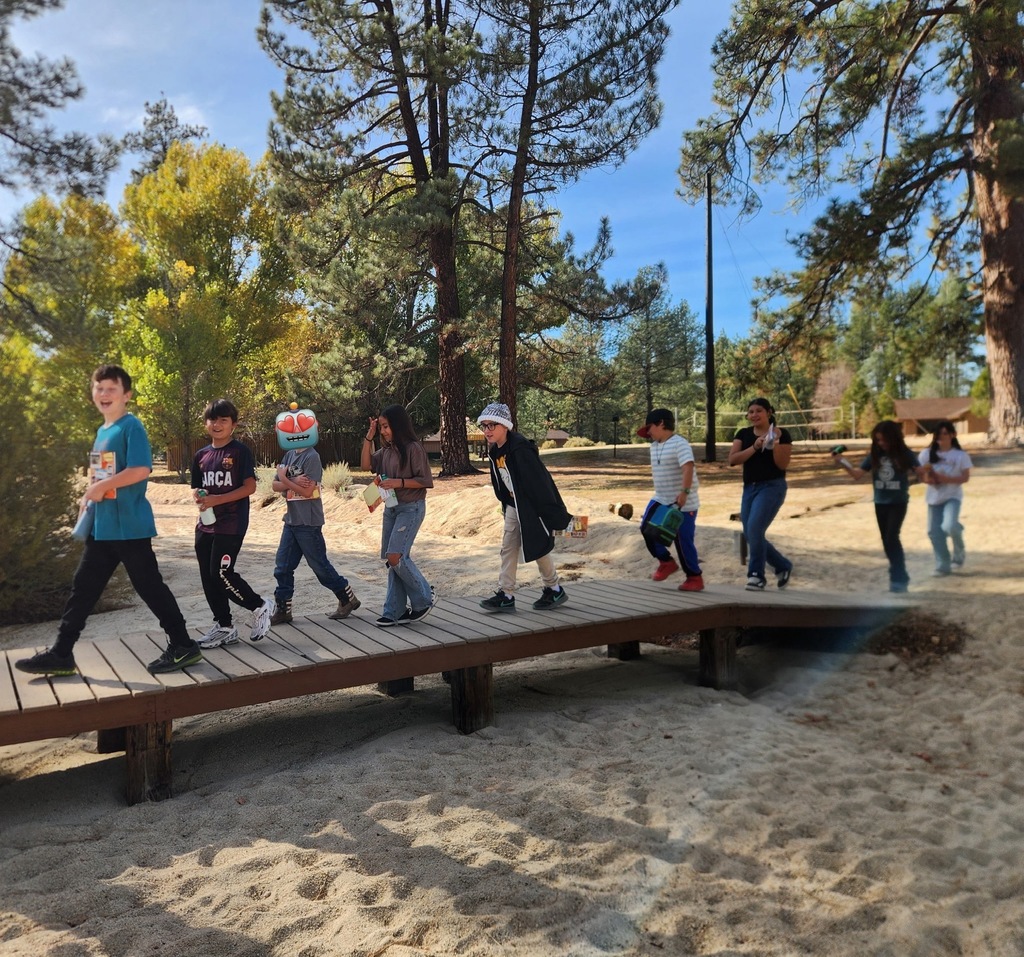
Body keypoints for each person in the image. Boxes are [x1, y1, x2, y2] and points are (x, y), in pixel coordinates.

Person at [15, 364, 202, 676]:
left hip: (129, 527)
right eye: (98, 388)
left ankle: (183, 645)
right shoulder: (102, 431)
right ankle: (61, 653)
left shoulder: (132, 427)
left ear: (126, 395)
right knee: (83, 588)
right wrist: (89, 496)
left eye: (111, 389)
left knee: (150, 587)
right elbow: (101, 474)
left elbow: (141, 469)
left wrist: (100, 486)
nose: (103, 394)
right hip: (103, 528)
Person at [191, 398, 276, 647]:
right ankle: (224, 626)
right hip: (205, 523)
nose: (217, 424)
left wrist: (218, 500)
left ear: (233, 425)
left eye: (223, 420)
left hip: (231, 523)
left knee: (221, 573)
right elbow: (197, 487)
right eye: (212, 420)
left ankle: (260, 606)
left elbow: (249, 487)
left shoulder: (239, 452)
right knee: (208, 575)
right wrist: (199, 496)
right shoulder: (201, 455)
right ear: (206, 423)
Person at [476, 402, 572, 612]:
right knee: (508, 547)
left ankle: (554, 588)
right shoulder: (494, 451)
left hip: (530, 506)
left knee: (537, 545)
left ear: (504, 426)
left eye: (492, 425)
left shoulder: (520, 448)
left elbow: (539, 481)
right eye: (484, 426)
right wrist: (505, 503)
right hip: (513, 505)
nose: (487, 431)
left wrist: (544, 510)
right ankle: (506, 594)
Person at [269, 403, 360, 623]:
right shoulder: (289, 455)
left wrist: (285, 479)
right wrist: (288, 481)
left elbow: (308, 490)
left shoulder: (312, 457)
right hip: (291, 520)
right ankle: (283, 609)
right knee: (282, 566)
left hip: (308, 522)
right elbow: (274, 485)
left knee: (319, 566)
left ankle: (346, 597)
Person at [360, 404, 435, 627]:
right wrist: (369, 436)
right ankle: (395, 611)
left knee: (396, 557)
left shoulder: (414, 448)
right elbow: (365, 465)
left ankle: (424, 599)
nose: (383, 431)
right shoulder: (386, 452)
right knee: (392, 560)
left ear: (398, 425)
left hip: (411, 508)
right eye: (381, 427)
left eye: (385, 426)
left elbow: (425, 481)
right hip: (391, 509)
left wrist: (398, 482)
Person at [832, 420, 920, 593]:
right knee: (886, 541)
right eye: (878, 440)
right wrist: (843, 462)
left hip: (898, 502)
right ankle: (899, 574)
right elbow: (857, 475)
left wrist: (927, 470)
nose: (881, 444)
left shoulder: (905, 454)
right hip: (880, 502)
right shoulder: (875, 455)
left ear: (894, 438)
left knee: (892, 537)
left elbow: (920, 471)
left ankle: (898, 577)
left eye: (884, 440)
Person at [728, 397, 795, 591]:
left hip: (772, 487)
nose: (754, 415)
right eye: (751, 412)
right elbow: (733, 459)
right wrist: (755, 447)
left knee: (755, 529)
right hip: (749, 488)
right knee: (750, 534)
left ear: (769, 413)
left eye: (759, 411)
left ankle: (756, 576)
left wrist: (775, 442)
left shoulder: (783, 434)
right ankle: (782, 565)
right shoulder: (743, 434)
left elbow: (782, 464)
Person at [636, 408, 704, 591]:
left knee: (682, 540)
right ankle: (666, 561)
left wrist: (685, 492)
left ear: (661, 423)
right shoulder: (654, 445)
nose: (648, 433)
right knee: (646, 528)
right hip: (660, 497)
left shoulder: (679, 444)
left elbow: (688, 467)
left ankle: (694, 577)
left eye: (650, 428)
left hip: (683, 501)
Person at [918, 420, 972, 576]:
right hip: (934, 498)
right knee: (934, 532)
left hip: (952, 497)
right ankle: (943, 565)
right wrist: (928, 479)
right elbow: (921, 475)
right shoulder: (926, 454)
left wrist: (946, 479)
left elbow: (965, 478)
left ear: (953, 435)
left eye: (945, 433)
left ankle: (959, 553)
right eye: (938, 434)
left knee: (948, 526)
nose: (941, 437)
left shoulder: (960, 455)